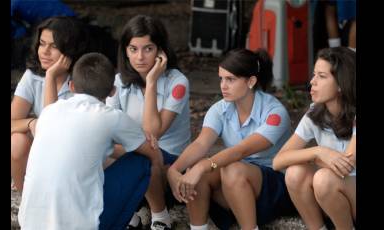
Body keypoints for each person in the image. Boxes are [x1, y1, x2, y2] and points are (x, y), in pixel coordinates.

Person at [18, 52, 164, 230]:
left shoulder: (49, 112)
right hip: (82, 226)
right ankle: (156, 216)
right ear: (112, 91)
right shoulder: (111, 117)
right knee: (142, 161)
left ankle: (130, 218)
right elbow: (152, 150)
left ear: (71, 86)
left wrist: (50, 75)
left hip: (29, 223)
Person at [167, 48, 295, 230]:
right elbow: (201, 143)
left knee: (228, 169)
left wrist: (203, 165)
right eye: (221, 78)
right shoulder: (220, 109)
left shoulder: (275, 112)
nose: (223, 86)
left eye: (231, 80)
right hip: (235, 184)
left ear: (251, 81)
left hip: (274, 188)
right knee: (199, 171)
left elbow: (241, 151)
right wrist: (175, 170)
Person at [106, 15, 191, 230]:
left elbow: (154, 134)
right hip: (132, 153)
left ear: (160, 50)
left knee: (146, 151)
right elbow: (108, 130)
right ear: (124, 50)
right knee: (94, 152)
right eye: (133, 49)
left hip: (169, 162)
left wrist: (151, 82)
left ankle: (160, 217)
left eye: (148, 48)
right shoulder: (118, 81)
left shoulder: (177, 82)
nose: (140, 57)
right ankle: (129, 216)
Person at [273, 47, 356, 230]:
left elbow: (346, 167)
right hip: (335, 196)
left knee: (323, 178)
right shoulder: (315, 113)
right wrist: (319, 152)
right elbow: (278, 161)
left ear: (342, 83)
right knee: (295, 173)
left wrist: (317, 159)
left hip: (350, 189)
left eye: (322, 76)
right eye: (313, 75)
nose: (312, 82)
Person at [11, 16, 89, 193]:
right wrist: (30, 123)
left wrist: (51, 76)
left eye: (54, 46)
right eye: (42, 43)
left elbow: (52, 128)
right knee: (17, 140)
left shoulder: (83, 80)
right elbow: (12, 122)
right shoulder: (32, 76)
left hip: (72, 152)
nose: (44, 52)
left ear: (70, 49)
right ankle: (26, 196)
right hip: (44, 149)